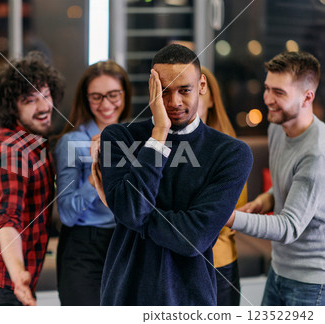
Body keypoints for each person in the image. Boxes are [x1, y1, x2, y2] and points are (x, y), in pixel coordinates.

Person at [92, 44, 253, 306]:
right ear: (151, 88)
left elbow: (194, 238)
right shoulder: (119, 137)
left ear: (202, 85)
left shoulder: (232, 153)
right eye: (164, 92)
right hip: (125, 294)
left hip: (189, 300)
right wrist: (159, 134)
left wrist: (135, 215)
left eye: (184, 90)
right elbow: (131, 210)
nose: (173, 102)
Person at [0, 51, 64, 306]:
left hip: (2, 285)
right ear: (11, 107)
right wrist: (19, 275)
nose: (43, 107)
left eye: (46, 95)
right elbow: (7, 220)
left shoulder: (30, 143)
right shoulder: (13, 151)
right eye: (30, 100)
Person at [226, 51, 325, 306]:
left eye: (279, 93)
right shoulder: (277, 127)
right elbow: (288, 186)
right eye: (267, 88)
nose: (268, 99)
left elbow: (289, 227)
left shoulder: (317, 154)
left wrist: (230, 218)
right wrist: (264, 200)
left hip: (311, 282)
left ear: (307, 97)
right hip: (279, 268)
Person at [54, 60, 131, 305]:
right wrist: (97, 170)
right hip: (82, 250)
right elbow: (66, 214)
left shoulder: (134, 140)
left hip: (123, 246)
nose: (106, 105)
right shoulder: (71, 143)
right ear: (86, 99)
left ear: (125, 95)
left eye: (113, 95)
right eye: (96, 97)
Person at [198, 66, 248, 306]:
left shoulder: (231, 149)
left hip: (219, 263)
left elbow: (232, 212)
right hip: (173, 264)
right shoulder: (161, 145)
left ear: (211, 100)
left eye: (197, 92)